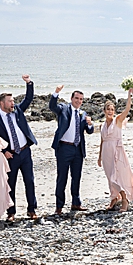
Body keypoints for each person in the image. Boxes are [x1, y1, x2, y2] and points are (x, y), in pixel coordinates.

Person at [0, 75, 38, 221]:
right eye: (10, 101)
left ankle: (32, 210)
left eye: (13, 101)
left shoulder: (18, 110)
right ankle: (11, 213)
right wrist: (3, 151)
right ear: (2, 103)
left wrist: (29, 83)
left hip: (25, 151)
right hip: (10, 155)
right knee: (10, 184)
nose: (13, 103)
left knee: (29, 181)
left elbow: (28, 99)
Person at [50, 86, 94, 214]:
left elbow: (89, 131)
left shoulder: (83, 113)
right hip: (64, 148)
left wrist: (90, 124)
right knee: (62, 177)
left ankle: (76, 203)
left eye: (81, 99)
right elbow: (52, 106)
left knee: (76, 177)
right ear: (71, 98)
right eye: (76, 98)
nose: (78, 101)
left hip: (78, 149)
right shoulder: (64, 109)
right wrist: (56, 93)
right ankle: (59, 206)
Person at [98, 88, 133, 211]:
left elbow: (127, 110)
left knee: (116, 176)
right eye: (108, 109)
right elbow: (102, 141)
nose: (110, 111)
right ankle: (113, 198)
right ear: (104, 111)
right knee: (109, 176)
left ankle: (124, 199)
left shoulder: (118, 121)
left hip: (116, 151)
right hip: (106, 152)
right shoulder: (102, 125)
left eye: (112, 109)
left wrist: (129, 96)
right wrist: (99, 157)